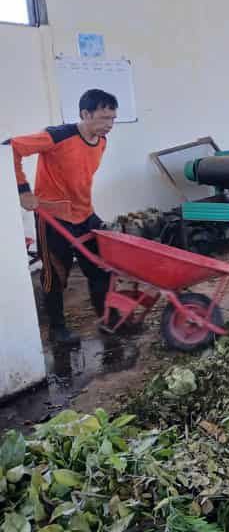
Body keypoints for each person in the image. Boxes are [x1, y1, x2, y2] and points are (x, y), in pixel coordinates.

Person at [7, 89, 118, 343]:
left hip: (85, 213)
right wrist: (23, 190)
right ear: (85, 114)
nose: (109, 125)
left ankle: (107, 318)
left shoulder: (101, 140)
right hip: (53, 217)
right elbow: (10, 148)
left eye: (112, 118)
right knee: (54, 276)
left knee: (102, 267)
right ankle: (57, 329)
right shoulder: (58, 136)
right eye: (103, 118)